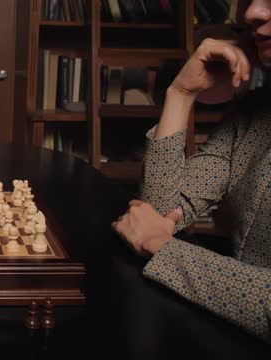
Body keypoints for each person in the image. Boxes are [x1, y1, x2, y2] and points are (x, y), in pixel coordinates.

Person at [112, 0, 271, 343]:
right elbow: (155, 211)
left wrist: (164, 247)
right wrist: (181, 94)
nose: (252, 12)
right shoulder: (255, 113)